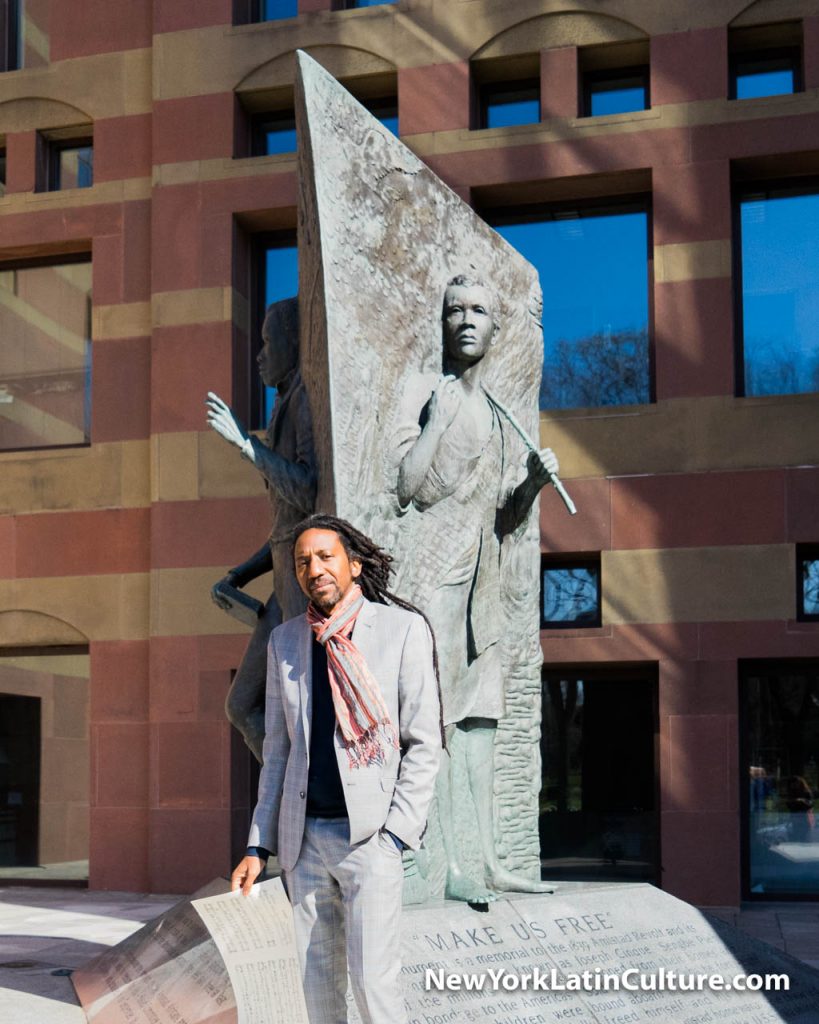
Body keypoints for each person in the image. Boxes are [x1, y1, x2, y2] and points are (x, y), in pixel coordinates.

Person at [231, 514, 442, 1024]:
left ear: (354, 563)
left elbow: (423, 742)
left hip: (369, 840)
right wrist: (258, 845)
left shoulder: (402, 631)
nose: (314, 568)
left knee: (374, 985)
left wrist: (395, 835)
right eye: (303, 561)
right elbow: (277, 752)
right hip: (303, 844)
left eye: (325, 556)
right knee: (315, 987)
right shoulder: (286, 642)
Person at [395, 274, 559, 902]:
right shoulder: (423, 390)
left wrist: (534, 484)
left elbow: (503, 516)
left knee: (480, 717)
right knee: (434, 718)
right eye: (454, 310)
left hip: (481, 584)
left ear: (495, 328)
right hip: (435, 571)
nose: (465, 320)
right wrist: (435, 423)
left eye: (478, 311)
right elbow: (408, 487)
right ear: (442, 323)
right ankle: (447, 864)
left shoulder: (497, 412)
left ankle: (489, 860)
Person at [206, 297, 317, 761]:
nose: (259, 355)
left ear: (293, 344)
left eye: (268, 342)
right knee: (241, 705)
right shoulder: (284, 405)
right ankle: (292, 797)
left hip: (304, 586)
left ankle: (302, 798)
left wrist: (247, 447)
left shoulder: (305, 402)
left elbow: (309, 492)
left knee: (294, 708)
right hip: (282, 582)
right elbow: (283, 526)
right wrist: (241, 574)